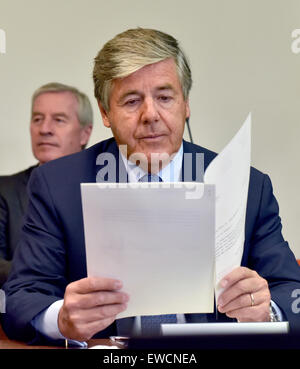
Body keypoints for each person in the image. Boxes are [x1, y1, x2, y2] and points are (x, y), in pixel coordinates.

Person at [2, 28, 300, 345]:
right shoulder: (57, 185)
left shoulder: (249, 186)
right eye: (132, 101)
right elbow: (21, 300)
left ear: (186, 104)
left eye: (164, 97)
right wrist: (63, 319)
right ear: (105, 113)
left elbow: (291, 294)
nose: (150, 115)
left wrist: (266, 312)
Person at [0, 82, 93, 286]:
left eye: (59, 120)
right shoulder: (4, 191)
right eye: (37, 119)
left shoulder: (103, 190)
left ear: (85, 133)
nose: (44, 129)